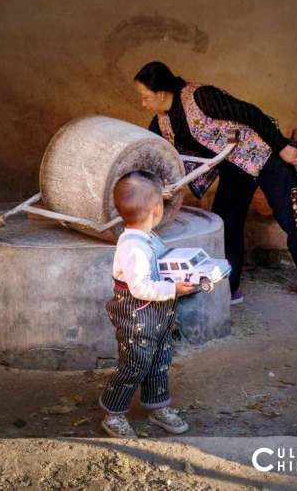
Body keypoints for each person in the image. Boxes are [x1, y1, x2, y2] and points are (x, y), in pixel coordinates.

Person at [133, 61, 297, 321]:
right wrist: (154, 186)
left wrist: (283, 147)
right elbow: (156, 153)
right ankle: (231, 286)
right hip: (236, 168)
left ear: (161, 93)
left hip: (266, 157)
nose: (143, 103)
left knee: (295, 219)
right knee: (226, 222)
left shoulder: (201, 97)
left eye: (145, 97)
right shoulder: (161, 123)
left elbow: (250, 114)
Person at [99, 171, 193, 438]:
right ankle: (114, 413)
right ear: (157, 209)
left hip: (158, 317)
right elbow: (140, 287)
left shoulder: (146, 237)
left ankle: (157, 405)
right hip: (137, 319)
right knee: (134, 363)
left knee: (159, 359)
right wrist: (173, 288)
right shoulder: (133, 248)